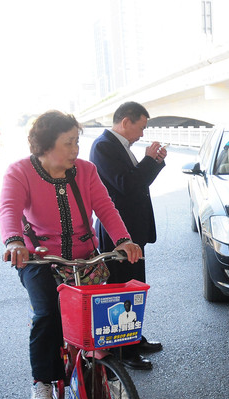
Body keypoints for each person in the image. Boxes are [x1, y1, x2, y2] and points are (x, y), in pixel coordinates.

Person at [0, 110, 142, 399]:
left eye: (77, 142)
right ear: (45, 146)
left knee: (103, 316)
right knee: (47, 313)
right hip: (40, 260)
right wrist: (14, 242)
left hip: (86, 258)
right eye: (68, 143)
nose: (76, 150)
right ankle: (43, 382)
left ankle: (106, 374)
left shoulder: (86, 171)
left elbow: (105, 206)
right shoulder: (20, 172)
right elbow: (9, 208)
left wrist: (122, 240)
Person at [91, 101, 167, 370]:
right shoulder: (103, 146)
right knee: (121, 290)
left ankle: (134, 338)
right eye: (141, 126)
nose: (142, 133)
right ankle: (124, 350)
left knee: (134, 286)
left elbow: (137, 183)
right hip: (118, 234)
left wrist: (154, 163)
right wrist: (148, 159)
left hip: (132, 231)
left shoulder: (119, 147)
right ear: (126, 122)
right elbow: (127, 185)